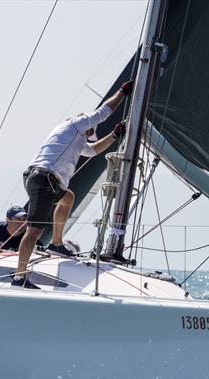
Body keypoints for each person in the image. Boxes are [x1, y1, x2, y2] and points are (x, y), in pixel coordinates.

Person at [12, 80, 133, 288]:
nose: (89, 133)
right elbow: (103, 112)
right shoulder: (75, 124)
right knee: (34, 231)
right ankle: (19, 277)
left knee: (67, 197)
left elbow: (93, 150)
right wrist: (122, 92)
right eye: (89, 131)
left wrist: (114, 135)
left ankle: (57, 244)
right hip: (43, 179)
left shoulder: (74, 139)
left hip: (45, 180)